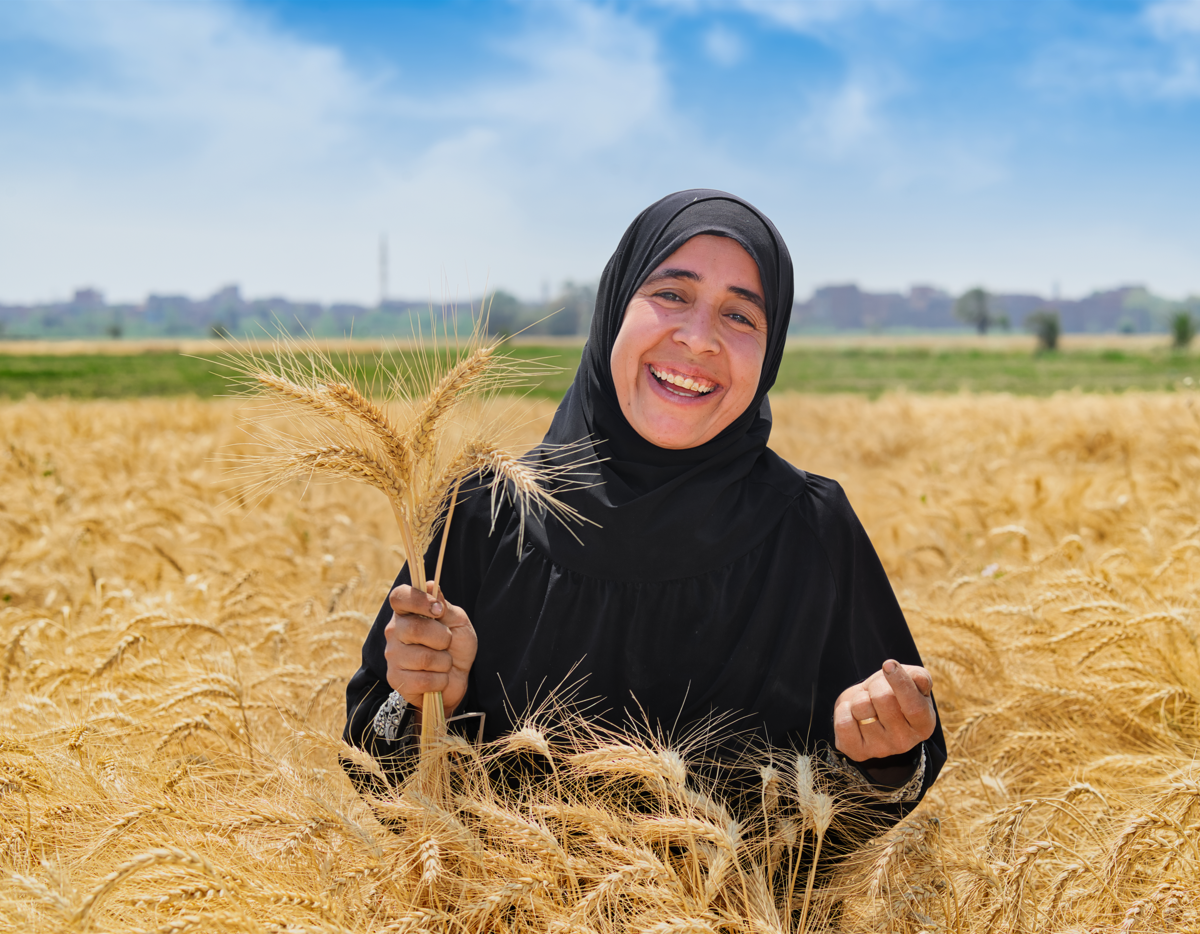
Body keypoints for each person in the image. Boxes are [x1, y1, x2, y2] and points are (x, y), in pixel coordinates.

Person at [344, 189, 945, 816]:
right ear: (614, 307)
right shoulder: (485, 510)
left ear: (772, 353)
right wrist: (424, 703)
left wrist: (881, 752)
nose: (699, 338)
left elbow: (879, 800)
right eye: (671, 294)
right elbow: (375, 773)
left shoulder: (812, 528)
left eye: (741, 316)